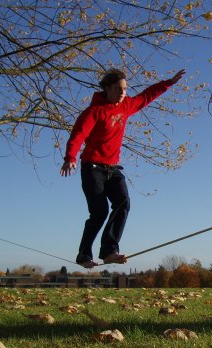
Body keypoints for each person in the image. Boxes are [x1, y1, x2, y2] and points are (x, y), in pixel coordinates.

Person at [61, 68, 186, 268]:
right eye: (118, 89)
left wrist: (168, 83)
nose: (123, 93)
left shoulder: (126, 106)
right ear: (107, 89)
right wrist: (70, 157)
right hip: (92, 168)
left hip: (113, 169)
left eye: (125, 89)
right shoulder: (94, 112)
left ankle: (109, 250)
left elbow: (146, 97)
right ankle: (83, 254)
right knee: (99, 213)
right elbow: (78, 135)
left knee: (123, 202)